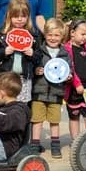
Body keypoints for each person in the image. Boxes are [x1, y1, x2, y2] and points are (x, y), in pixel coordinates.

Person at [0, 0, 38, 105]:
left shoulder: (33, 35)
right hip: (5, 78)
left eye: (23, 16)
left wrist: (32, 54)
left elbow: (39, 56)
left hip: (24, 79)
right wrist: (3, 52)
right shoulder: (0, 34)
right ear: (9, 16)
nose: (19, 19)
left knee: (21, 108)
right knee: (3, 106)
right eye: (16, 16)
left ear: (28, 17)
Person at [29, 19, 69, 159]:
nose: (53, 38)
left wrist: (69, 76)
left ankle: (55, 146)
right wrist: (36, 70)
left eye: (56, 35)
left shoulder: (64, 53)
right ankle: (34, 145)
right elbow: (32, 66)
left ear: (62, 36)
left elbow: (69, 70)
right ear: (45, 35)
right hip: (39, 92)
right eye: (50, 35)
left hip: (56, 93)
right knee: (37, 120)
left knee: (55, 121)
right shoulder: (39, 51)